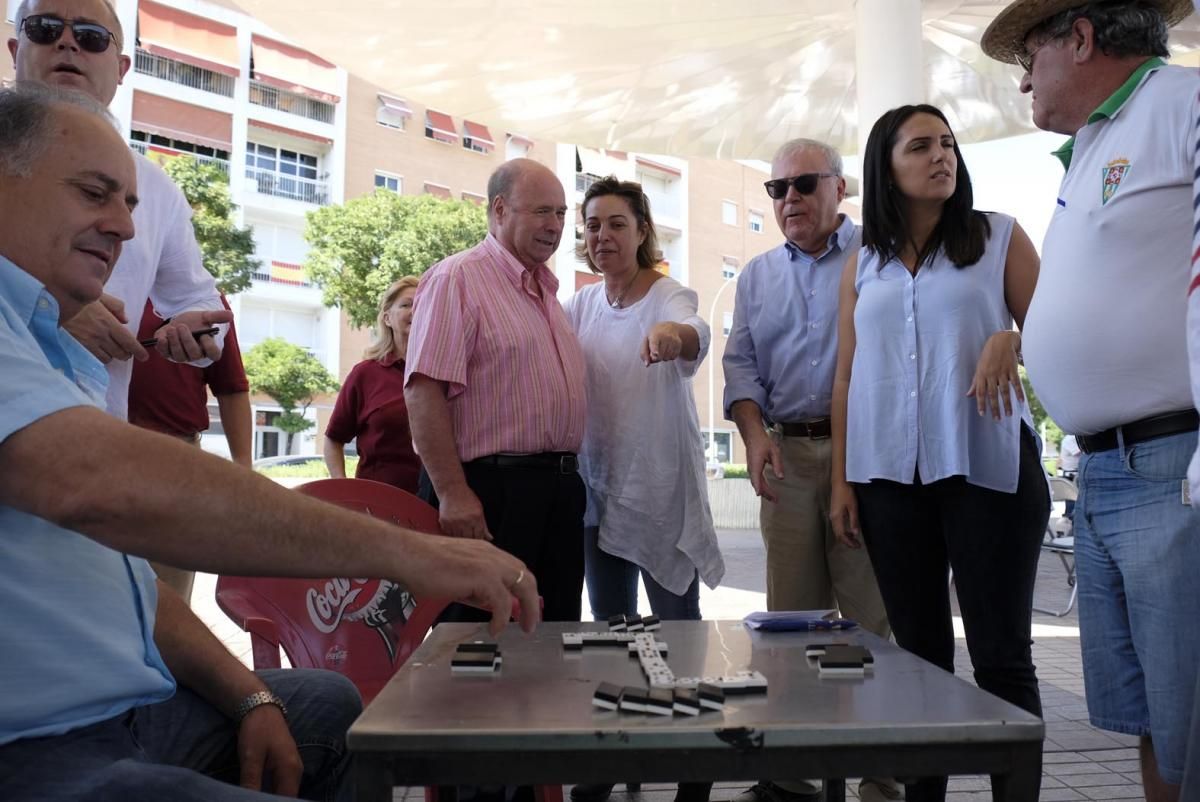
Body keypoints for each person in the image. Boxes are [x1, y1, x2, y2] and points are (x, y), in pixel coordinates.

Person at [0, 85, 540, 802]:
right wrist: (420, 554)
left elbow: (124, 584)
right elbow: (96, 482)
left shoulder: (48, 348)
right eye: (95, 193)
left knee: (326, 704)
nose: (125, 229)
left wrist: (250, 698)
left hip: (128, 708)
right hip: (35, 742)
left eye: (130, 205)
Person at [981, 2, 1199, 798]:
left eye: (1031, 52)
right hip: (1106, 473)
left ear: (1081, 36)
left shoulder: (1182, 102)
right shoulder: (1094, 145)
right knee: (1149, 717)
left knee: (1190, 718)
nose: (1023, 76)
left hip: (1172, 462)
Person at [829, 104, 1047, 802]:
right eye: (920, 146)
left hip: (988, 471)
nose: (941, 156)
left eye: (948, 143)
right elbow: (846, 373)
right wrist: (841, 483)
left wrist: (1012, 338)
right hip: (888, 476)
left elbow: (1061, 332)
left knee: (1001, 659)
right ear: (885, 168)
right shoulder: (863, 260)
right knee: (918, 663)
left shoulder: (1000, 237)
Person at [721, 139, 893, 802]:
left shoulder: (879, 257)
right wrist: (753, 431)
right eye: (776, 188)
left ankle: (883, 784)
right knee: (789, 628)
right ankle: (790, 781)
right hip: (787, 460)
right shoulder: (757, 276)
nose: (788, 198)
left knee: (873, 628)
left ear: (840, 188)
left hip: (869, 460)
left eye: (803, 184)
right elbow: (741, 367)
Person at [563, 177, 724, 802]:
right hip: (597, 488)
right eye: (594, 225)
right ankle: (614, 760)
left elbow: (695, 330)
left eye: (616, 224)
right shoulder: (580, 304)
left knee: (679, 633)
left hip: (657, 492)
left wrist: (671, 338)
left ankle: (695, 771)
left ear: (641, 230)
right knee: (611, 633)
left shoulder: (667, 294)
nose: (603, 236)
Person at [9, 0, 232, 423]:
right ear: (14, 48)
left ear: (122, 67)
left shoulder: (157, 188)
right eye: (45, 29)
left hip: (91, 444)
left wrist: (191, 327)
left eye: (91, 37)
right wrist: (48, 310)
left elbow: (199, 300)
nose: (68, 44)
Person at [405, 158, 587, 624]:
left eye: (562, 214)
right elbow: (423, 390)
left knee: (553, 639)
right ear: (500, 210)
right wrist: (452, 492)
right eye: (543, 212)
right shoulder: (456, 279)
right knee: (479, 646)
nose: (556, 226)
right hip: (491, 495)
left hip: (558, 492)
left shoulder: (547, 293)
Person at [128, 294, 252, 602]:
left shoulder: (200, 297)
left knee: (166, 596)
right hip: (90, 444)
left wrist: (243, 472)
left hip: (174, 459)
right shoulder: (89, 279)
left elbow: (232, 388)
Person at [324, 276, 422, 493]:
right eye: (407, 304)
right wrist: (343, 488)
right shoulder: (366, 374)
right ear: (387, 318)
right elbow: (333, 440)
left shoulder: (442, 373)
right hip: (378, 502)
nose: (416, 310)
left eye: (423, 304)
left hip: (436, 504)